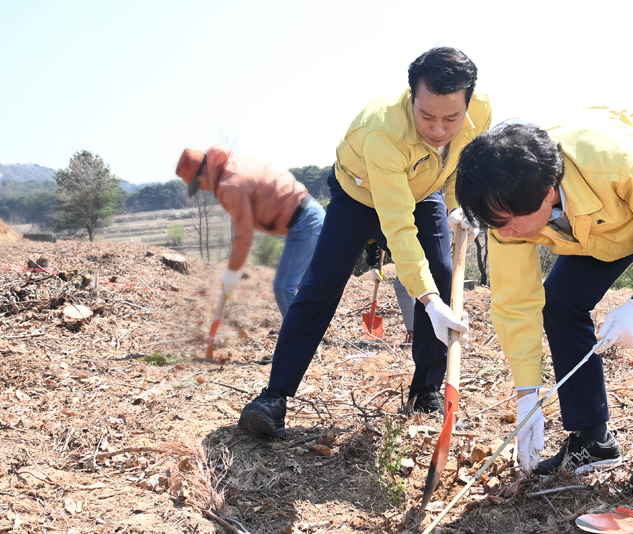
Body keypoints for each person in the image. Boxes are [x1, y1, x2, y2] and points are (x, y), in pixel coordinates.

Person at [454, 109, 633, 490]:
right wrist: (527, 394)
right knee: (559, 300)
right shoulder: (506, 214)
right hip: (603, 225)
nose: (504, 233)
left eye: (509, 222)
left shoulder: (615, 162)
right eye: (495, 223)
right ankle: (592, 440)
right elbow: (516, 301)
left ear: (547, 193)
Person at [238, 47, 489, 439]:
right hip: (361, 194)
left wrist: (459, 206)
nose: (439, 129)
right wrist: (427, 300)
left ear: (468, 103)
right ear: (412, 98)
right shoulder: (383, 132)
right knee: (320, 286)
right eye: (427, 116)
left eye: (451, 118)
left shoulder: (481, 111)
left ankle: (426, 391)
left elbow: (466, 158)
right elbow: (399, 226)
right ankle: (274, 397)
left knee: (440, 275)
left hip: (425, 192)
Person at [175, 145, 324, 317]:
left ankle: (300, 340)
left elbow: (244, 234)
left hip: (305, 222)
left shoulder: (230, 184)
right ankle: (312, 334)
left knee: (283, 286)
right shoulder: (232, 166)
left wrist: (231, 270)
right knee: (305, 285)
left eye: (197, 183)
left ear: (206, 169)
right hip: (310, 214)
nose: (200, 189)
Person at [364, 241, 415, 344]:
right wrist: (374, 265)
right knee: (403, 284)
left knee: (403, 285)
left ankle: (415, 334)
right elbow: (372, 239)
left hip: (416, 248)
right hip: (410, 250)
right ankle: (416, 331)